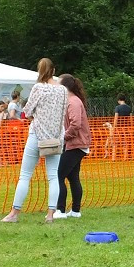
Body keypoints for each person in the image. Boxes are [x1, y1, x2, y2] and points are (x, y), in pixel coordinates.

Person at [1, 58, 67, 224]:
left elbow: (27, 110)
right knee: (53, 177)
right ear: (53, 70)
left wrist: (34, 114)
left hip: (37, 135)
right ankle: (51, 214)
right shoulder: (63, 90)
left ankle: (14, 213)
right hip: (55, 137)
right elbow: (64, 110)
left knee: (25, 175)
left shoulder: (39, 88)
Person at [54, 74, 90, 219]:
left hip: (75, 144)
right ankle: (75, 211)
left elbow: (76, 124)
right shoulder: (71, 100)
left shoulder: (73, 102)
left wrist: (63, 137)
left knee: (58, 175)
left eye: (58, 83)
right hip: (76, 144)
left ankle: (60, 210)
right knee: (73, 177)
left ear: (64, 86)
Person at [112, 94, 132, 160]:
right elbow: (131, 119)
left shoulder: (117, 108)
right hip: (126, 128)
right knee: (125, 143)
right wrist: (130, 127)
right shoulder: (129, 108)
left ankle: (114, 158)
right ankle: (125, 157)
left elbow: (116, 118)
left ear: (118, 100)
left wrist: (114, 128)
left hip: (119, 128)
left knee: (115, 143)